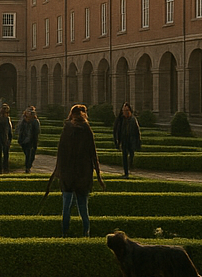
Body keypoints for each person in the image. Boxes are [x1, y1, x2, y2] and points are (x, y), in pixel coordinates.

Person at [53, 103, 104, 236]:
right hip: (83, 175)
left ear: (71, 115)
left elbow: (60, 153)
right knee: (83, 208)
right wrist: (98, 175)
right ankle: (86, 234)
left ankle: (64, 234)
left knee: (66, 208)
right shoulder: (87, 129)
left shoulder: (67, 129)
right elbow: (94, 154)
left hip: (68, 175)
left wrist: (58, 171)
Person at [113, 101, 143, 177]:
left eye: (126, 111)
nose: (125, 112)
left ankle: (131, 166)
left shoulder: (133, 120)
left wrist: (138, 142)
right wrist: (117, 141)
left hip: (131, 140)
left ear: (130, 111)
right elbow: (116, 130)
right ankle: (126, 173)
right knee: (124, 157)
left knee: (131, 155)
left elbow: (137, 131)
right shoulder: (120, 120)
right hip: (124, 140)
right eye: (123, 111)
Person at [17, 106, 40, 173]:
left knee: (31, 155)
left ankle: (28, 167)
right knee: (28, 154)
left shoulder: (35, 121)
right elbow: (19, 129)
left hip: (32, 140)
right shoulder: (23, 121)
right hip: (24, 140)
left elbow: (37, 131)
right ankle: (27, 167)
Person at [0, 103, 13, 174]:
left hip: (2, 139)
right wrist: (10, 139)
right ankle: (4, 169)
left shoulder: (0, 120)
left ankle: (2, 169)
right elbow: (10, 131)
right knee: (3, 155)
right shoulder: (0, 120)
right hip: (3, 139)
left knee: (2, 155)